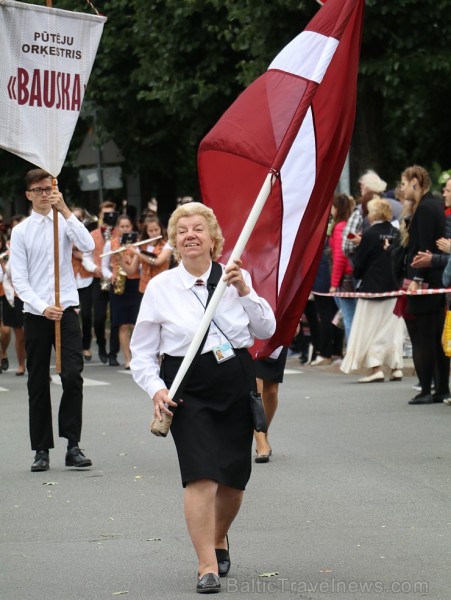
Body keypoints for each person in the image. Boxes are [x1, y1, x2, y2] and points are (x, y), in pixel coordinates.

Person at [129, 202, 275, 593]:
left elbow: (266, 327)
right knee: (202, 477)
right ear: (175, 242)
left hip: (235, 381)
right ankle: (206, 565)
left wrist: (244, 289)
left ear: (214, 239)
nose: (189, 235)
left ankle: (218, 536)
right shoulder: (161, 287)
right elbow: (141, 353)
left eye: (198, 228)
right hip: (186, 389)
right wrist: (156, 388)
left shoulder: (234, 278)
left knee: (233, 480)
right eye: (181, 230)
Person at [9, 169, 95, 472]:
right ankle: (41, 449)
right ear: (29, 195)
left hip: (67, 309)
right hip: (37, 314)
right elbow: (19, 278)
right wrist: (43, 306)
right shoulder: (21, 232)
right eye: (39, 190)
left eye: (49, 188)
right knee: (37, 381)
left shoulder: (64, 222)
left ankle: (73, 444)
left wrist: (67, 211)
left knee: (72, 375)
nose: (45, 194)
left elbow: (88, 246)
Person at [398, 165, 449, 405]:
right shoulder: (428, 206)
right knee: (432, 337)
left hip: (426, 284)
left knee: (425, 337)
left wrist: (417, 280)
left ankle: (428, 388)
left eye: (404, 183)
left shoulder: (427, 207)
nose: (402, 188)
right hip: (432, 281)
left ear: (416, 181)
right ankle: (438, 388)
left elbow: (425, 246)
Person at [340, 199, 404, 382]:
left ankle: (375, 367)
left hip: (372, 289)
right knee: (392, 329)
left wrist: (358, 272)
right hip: (393, 286)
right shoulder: (396, 232)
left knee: (369, 329)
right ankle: (396, 365)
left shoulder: (368, 234)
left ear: (375, 214)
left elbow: (359, 264)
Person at [82, 201, 120, 366]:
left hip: (117, 278)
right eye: (105, 214)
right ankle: (102, 345)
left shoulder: (119, 233)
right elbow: (86, 257)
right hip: (99, 279)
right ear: (100, 214)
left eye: (112, 213)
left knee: (116, 318)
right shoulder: (93, 234)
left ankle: (113, 353)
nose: (108, 217)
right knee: (98, 317)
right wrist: (94, 268)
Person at [102, 214, 142, 369]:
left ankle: (139, 357)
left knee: (136, 323)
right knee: (122, 324)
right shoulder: (110, 244)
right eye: (122, 226)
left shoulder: (137, 244)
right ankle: (128, 359)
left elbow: (140, 266)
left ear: (132, 227)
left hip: (135, 283)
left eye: (128, 226)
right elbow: (104, 265)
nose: (125, 229)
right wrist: (109, 275)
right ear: (117, 228)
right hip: (118, 284)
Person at [329, 193, 356, 346]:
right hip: (350, 275)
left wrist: (333, 284)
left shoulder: (339, 228)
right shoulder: (347, 226)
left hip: (344, 278)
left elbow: (339, 257)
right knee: (351, 315)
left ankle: (352, 351)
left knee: (348, 316)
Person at [253, 346, 288, 463]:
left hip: (276, 334)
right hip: (249, 333)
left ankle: (264, 430)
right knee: (255, 383)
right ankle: (260, 441)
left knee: (272, 390)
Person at [124, 215, 173, 294]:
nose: (154, 233)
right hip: (145, 289)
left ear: (161, 229)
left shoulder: (167, 245)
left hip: (162, 288)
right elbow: (131, 271)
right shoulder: (142, 246)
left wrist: (137, 252)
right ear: (146, 232)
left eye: (156, 230)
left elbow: (157, 262)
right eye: (151, 231)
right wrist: (119, 259)